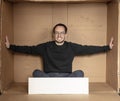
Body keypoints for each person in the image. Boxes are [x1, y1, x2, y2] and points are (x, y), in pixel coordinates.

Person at [5, 23, 114, 77]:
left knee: (80, 73)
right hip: (49, 77)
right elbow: (29, 49)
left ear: (65, 34)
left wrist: (107, 47)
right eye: (57, 33)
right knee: (36, 73)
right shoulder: (45, 47)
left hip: (67, 77)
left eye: (61, 33)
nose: (59, 35)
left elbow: (88, 49)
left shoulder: (71, 47)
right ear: (53, 34)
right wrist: (11, 46)